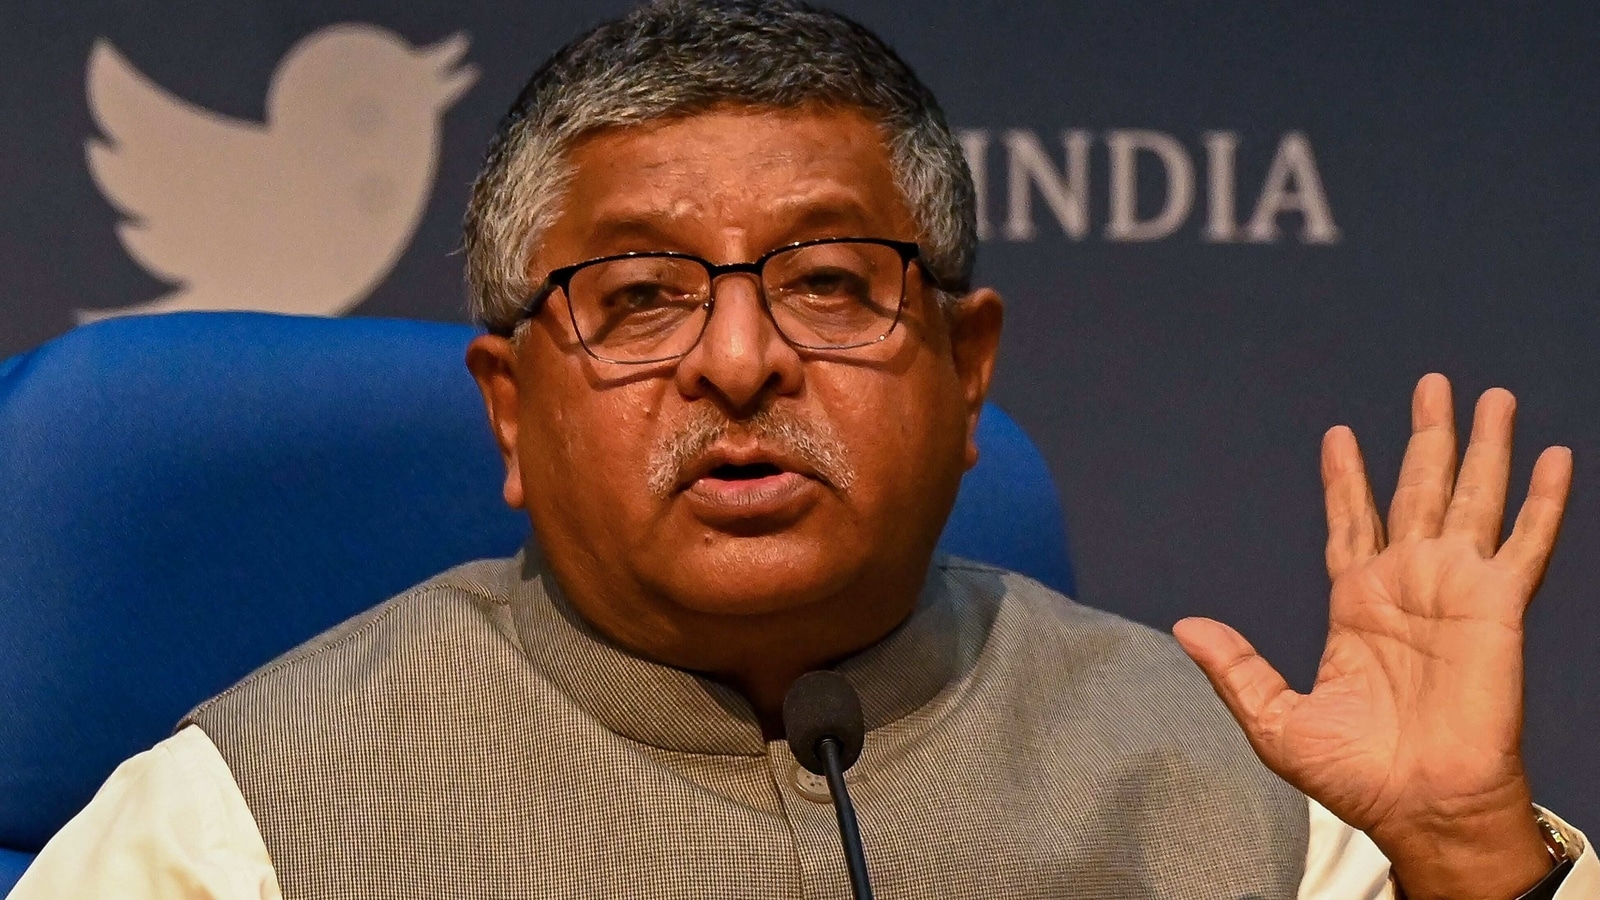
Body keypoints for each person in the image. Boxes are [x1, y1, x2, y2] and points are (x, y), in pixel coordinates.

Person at [10, 2, 1595, 898]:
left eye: (832, 283)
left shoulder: (1262, 798)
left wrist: (1468, 861)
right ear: (510, 406)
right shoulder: (232, 829)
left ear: (968, 374)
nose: (744, 357)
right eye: (636, 298)